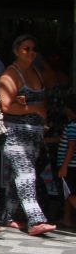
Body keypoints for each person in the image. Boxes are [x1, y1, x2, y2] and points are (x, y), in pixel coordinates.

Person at [0, 34, 55, 236]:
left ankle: (9, 215)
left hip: (35, 134)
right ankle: (35, 219)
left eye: (34, 49)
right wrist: (34, 109)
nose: (31, 52)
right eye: (26, 48)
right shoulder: (10, 75)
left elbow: (55, 81)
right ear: (16, 50)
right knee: (26, 174)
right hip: (15, 134)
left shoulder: (37, 72)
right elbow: (6, 106)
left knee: (18, 176)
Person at [55, 95, 76, 228]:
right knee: (68, 193)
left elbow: (71, 146)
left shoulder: (73, 125)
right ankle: (66, 219)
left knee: (70, 193)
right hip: (71, 165)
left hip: (70, 165)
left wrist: (64, 166)